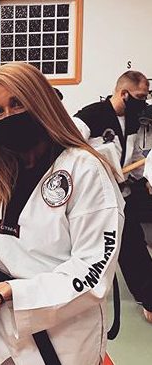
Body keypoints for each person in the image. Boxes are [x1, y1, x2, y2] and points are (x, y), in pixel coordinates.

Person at [0, 62, 125, 364]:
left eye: (17, 103)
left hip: (63, 336)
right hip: (0, 334)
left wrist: (15, 292)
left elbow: (93, 268)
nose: (8, 117)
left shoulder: (83, 169)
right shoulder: (6, 174)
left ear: (41, 102)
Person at [74, 71, 152, 323]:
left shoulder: (133, 119)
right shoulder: (91, 114)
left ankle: (149, 299)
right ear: (123, 93)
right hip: (93, 200)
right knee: (85, 250)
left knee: (133, 244)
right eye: (140, 96)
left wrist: (146, 175)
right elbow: (67, 144)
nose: (144, 101)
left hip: (121, 194)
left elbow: (135, 155)